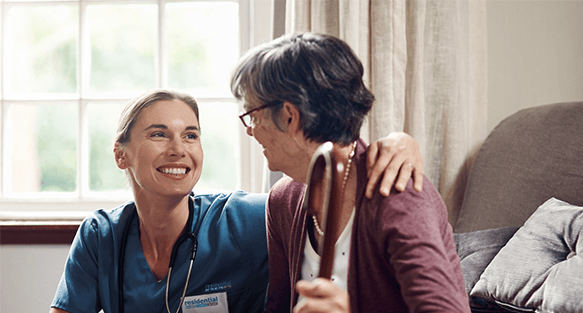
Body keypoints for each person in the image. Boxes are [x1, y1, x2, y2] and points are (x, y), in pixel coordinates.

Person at [49, 89, 424, 313]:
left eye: (191, 135)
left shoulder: (244, 219)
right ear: (121, 155)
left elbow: (330, 186)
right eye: (159, 134)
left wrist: (397, 142)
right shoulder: (101, 236)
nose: (179, 150)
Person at [230, 32, 470, 312]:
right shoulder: (283, 200)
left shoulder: (395, 194)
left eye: (252, 115)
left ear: (289, 117)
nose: (249, 129)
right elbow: (278, 306)